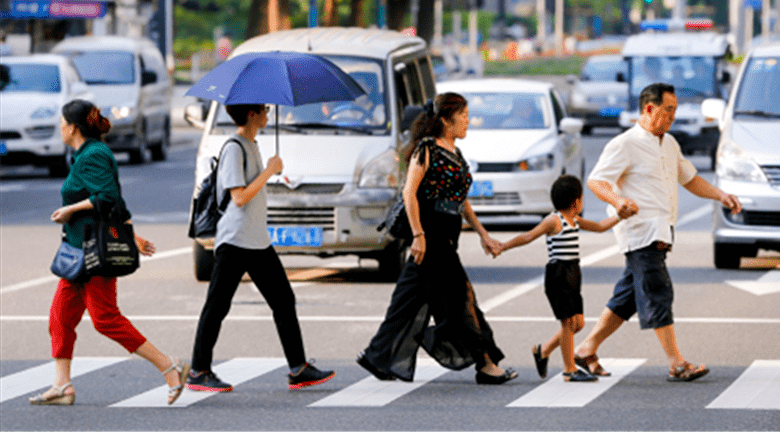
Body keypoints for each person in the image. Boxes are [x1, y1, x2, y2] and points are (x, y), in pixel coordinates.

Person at [574, 83, 742, 382]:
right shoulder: (624, 144)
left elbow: (690, 179)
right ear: (649, 109)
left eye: (675, 110)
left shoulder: (670, 144)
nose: (673, 116)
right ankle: (676, 362)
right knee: (658, 292)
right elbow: (597, 181)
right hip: (640, 233)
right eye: (669, 110)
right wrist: (618, 201)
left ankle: (586, 348)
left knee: (625, 299)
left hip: (662, 233)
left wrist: (720, 196)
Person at [31, 100, 189, 406]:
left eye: (62, 123)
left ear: (73, 127)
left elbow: (108, 197)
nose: (59, 127)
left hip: (94, 253)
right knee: (60, 317)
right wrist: (134, 236)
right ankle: (62, 385)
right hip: (78, 252)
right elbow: (117, 204)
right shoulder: (82, 155)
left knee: (105, 318)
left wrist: (70, 210)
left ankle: (168, 366)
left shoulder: (94, 155)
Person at [357, 93, 516, 385]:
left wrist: (483, 234)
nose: (468, 121)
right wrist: (418, 235)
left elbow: (461, 201)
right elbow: (409, 193)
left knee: (408, 299)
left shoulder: (454, 151)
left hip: (446, 234)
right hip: (431, 235)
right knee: (462, 298)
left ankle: (377, 357)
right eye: (464, 116)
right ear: (446, 120)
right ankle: (485, 362)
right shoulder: (426, 149)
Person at [187, 103, 335, 392]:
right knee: (217, 307)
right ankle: (198, 370)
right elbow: (239, 197)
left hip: (257, 240)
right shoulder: (234, 147)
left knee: (283, 300)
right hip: (236, 240)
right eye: (264, 109)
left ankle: (298, 368)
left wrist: (270, 170)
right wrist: (269, 171)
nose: (269, 113)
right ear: (252, 114)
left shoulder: (252, 144)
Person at [489, 175, 625, 382]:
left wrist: (621, 216)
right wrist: (503, 246)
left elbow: (599, 227)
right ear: (577, 202)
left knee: (577, 324)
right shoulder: (554, 221)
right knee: (568, 323)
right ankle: (569, 370)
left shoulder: (575, 220)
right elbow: (528, 236)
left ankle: (544, 350)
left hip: (573, 272)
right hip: (559, 274)